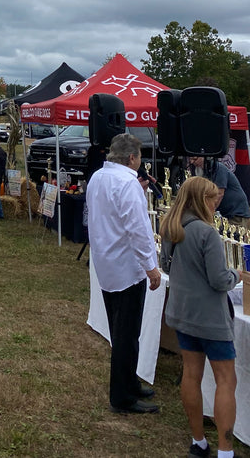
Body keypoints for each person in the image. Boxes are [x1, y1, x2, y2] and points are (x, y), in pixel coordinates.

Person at [160, 176, 248, 458]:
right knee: (226, 380)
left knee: (191, 374)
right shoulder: (206, 233)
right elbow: (220, 280)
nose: (216, 204)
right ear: (202, 201)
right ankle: (225, 451)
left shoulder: (171, 227)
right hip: (210, 318)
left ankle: (198, 441)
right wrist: (238, 274)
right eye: (212, 199)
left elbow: (166, 266)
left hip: (183, 313)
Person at [86, 132, 162, 414]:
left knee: (125, 332)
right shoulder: (126, 182)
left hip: (106, 261)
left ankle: (129, 382)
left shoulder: (98, 177)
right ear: (131, 158)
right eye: (139, 157)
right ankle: (122, 396)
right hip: (126, 266)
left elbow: (105, 214)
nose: (140, 162)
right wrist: (150, 266)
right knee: (126, 334)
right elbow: (138, 229)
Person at [187, 156, 250, 227]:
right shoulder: (200, 171)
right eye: (190, 159)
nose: (192, 162)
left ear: (204, 157)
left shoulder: (219, 168)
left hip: (237, 215)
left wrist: (206, 214)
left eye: (195, 159)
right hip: (225, 215)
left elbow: (219, 194)